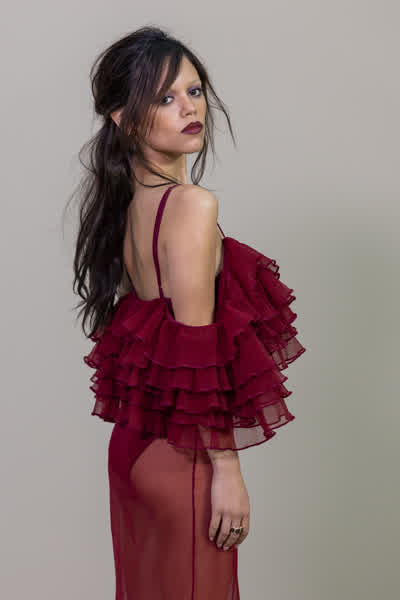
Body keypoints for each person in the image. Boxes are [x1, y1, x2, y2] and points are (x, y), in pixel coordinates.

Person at [74, 25, 306, 600]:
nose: (189, 108)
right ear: (125, 119)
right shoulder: (191, 206)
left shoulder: (130, 205)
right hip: (185, 458)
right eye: (165, 97)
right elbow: (195, 351)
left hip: (134, 450)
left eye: (195, 90)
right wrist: (227, 471)